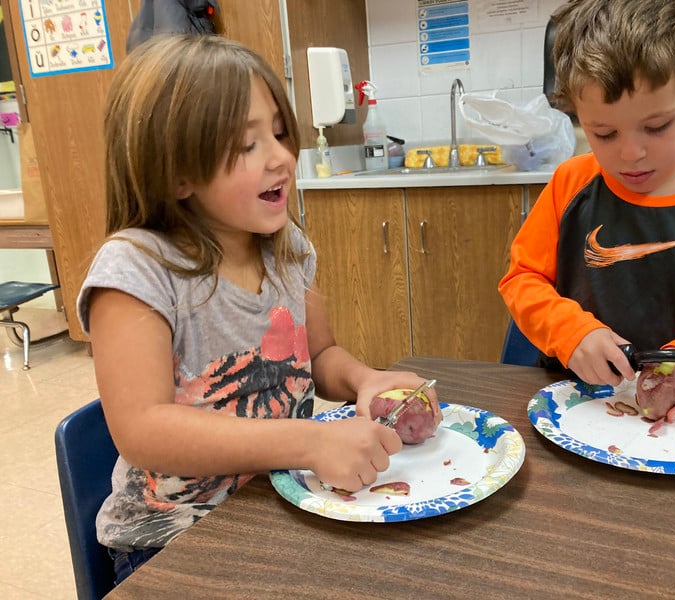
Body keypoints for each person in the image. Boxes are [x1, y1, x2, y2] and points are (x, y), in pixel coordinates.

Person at [77, 33, 435, 584]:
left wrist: (366, 381)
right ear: (177, 174)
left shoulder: (287, 248)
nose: (281, 158)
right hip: (172, 542)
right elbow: (142, 430)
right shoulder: (136, 269)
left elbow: (321, 355)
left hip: (282, 504)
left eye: (278, 132)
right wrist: (310, 441)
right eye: (247, 146)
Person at [499, 0, 675, 422]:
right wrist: (572, 333)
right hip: (578, 403)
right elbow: (522, 279)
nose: (630, 154)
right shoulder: (571, 183)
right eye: (604, 132)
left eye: (657, 126)